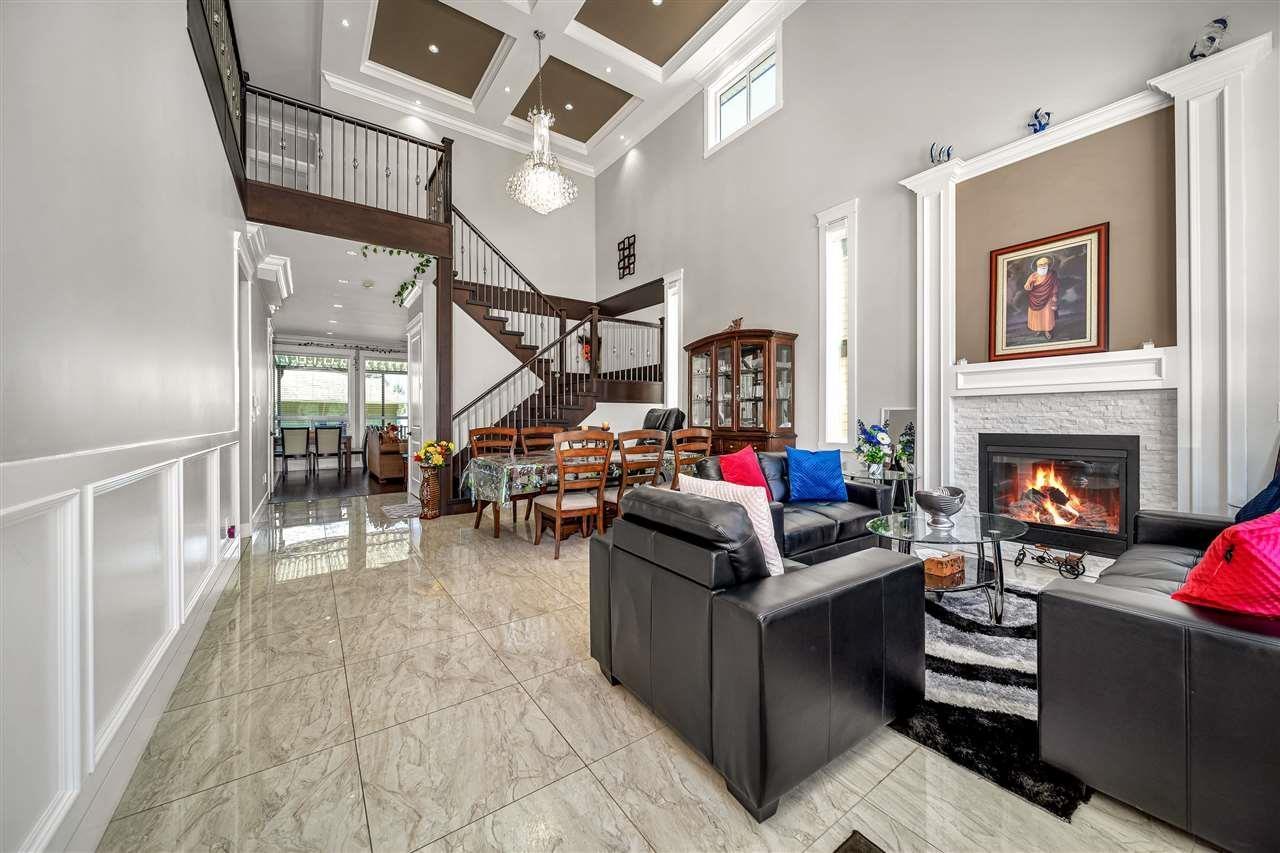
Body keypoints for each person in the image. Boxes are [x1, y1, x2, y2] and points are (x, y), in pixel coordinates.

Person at [1023, 256, 1059, 340]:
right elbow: (1027, 286)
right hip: (1034, 299)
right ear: (1037, 266)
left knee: (1047, 315)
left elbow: (1055, 286)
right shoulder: (1033, 275)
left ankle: (1047, 331)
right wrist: (1029, 284)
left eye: (1045, 264)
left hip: (1048, 298)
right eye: (1041, 265)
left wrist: (1054, 296)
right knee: (1037, 316)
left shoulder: (1051, 275)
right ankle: (1039, 329)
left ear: (1048, 265)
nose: (1043, 266)